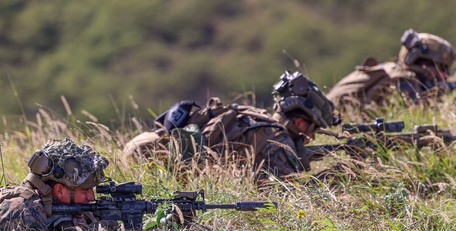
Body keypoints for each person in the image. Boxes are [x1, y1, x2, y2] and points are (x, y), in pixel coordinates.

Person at [123, 71, 341, 182]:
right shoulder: (278, 140)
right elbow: (283, 195)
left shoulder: (259, 120)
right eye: (313, 131)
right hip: (150, 160)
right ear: (300, 122)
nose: (312, 138)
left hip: (138, 148)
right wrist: (334, 177)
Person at [327, 29, 456, 109]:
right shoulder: (402, 80)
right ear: (422, 64)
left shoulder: (392, 70)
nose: (447, 74)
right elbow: (418, 114)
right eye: (442, 67)